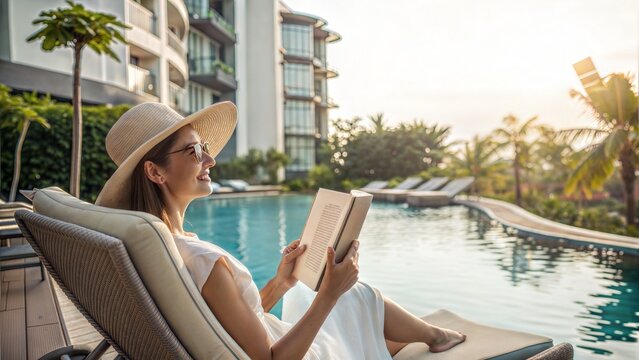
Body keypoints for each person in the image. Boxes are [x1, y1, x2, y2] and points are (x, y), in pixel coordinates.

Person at [95, 102, 466, 359]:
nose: (210, 159)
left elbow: (226, 322)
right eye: (193, 152)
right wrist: (331, 294)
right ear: (155, 172)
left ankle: (417, 339)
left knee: (337, 306)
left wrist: (281, 282)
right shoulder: (203, 260)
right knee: (355, 297)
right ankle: (436, 337)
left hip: (271, 335)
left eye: (204, 148)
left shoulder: (170, 247)